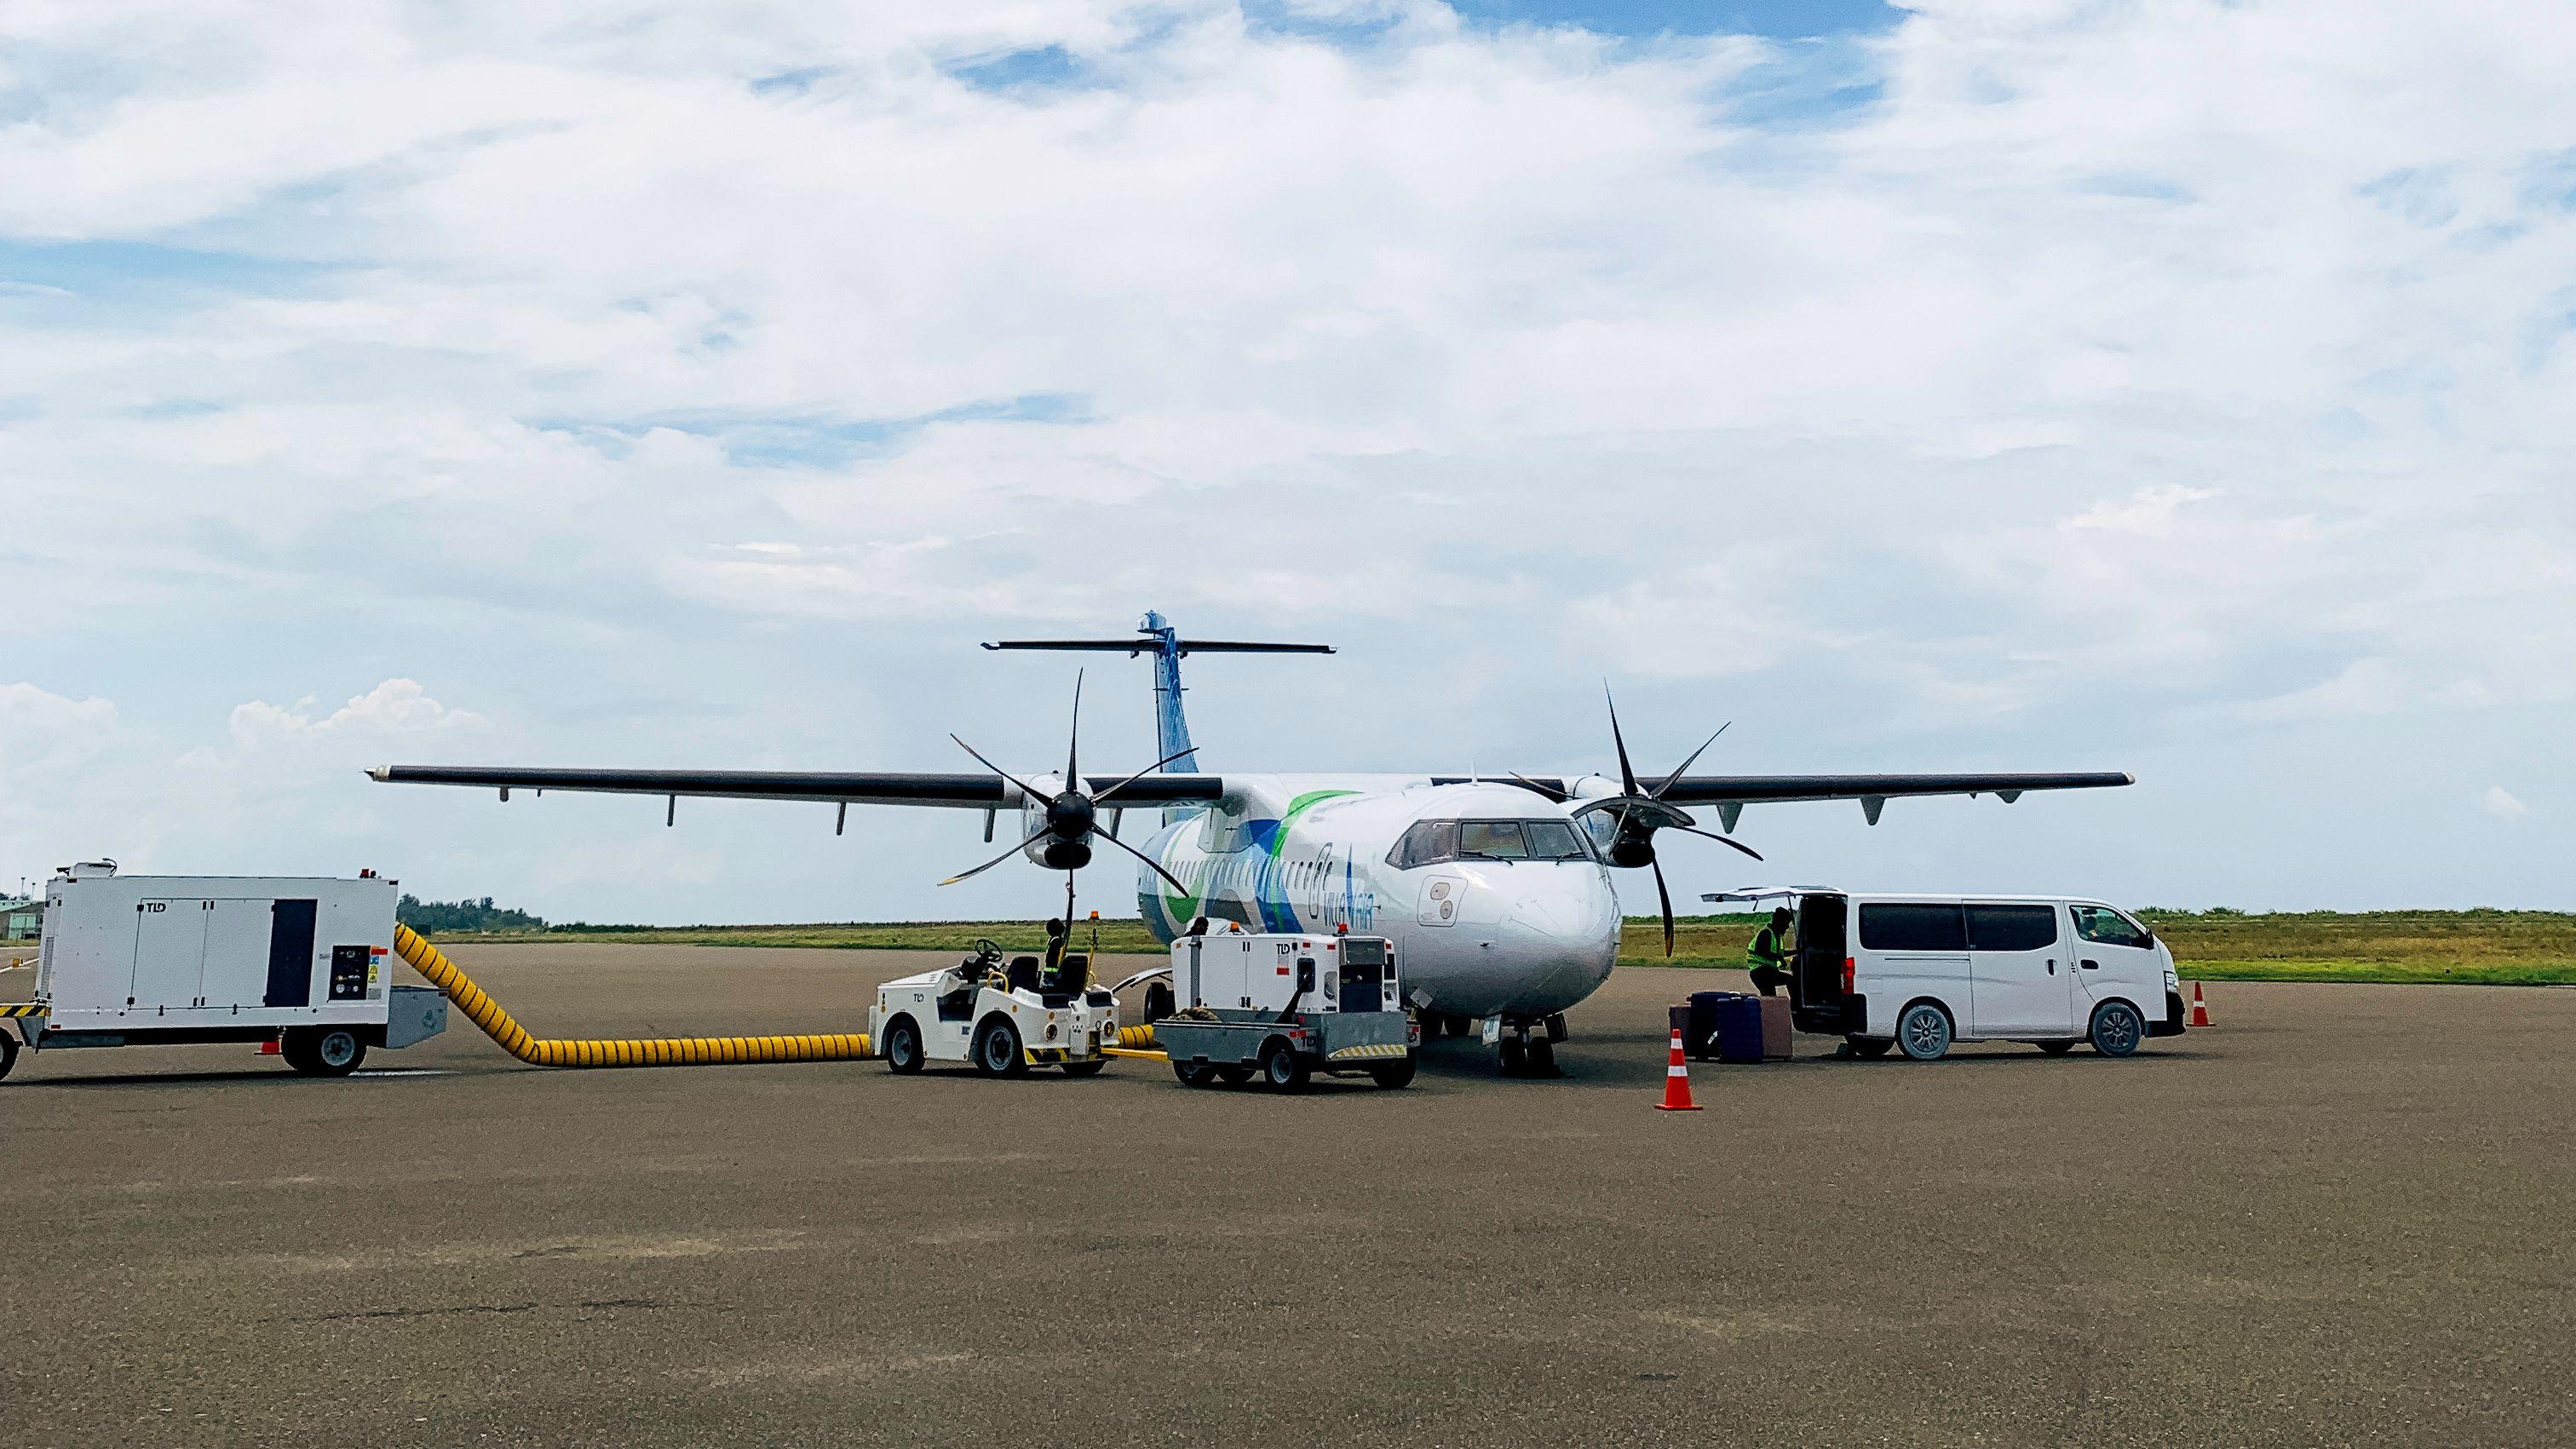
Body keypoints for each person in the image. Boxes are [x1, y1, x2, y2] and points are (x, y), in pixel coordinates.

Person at [1746, 906, 1796, 998]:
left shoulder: (1776, 935)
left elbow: (1779, 953)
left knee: (1771, 996)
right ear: (1779, 922)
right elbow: (1761, 951)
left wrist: (1796, 952)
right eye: (1786, 923)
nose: (1788, 927)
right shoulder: (1766, 933)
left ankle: (1793, 1007)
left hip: (1767, 971)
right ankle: (1794, 1008)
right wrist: (1779, 958)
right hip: (1760, 971)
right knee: (1771, 996)